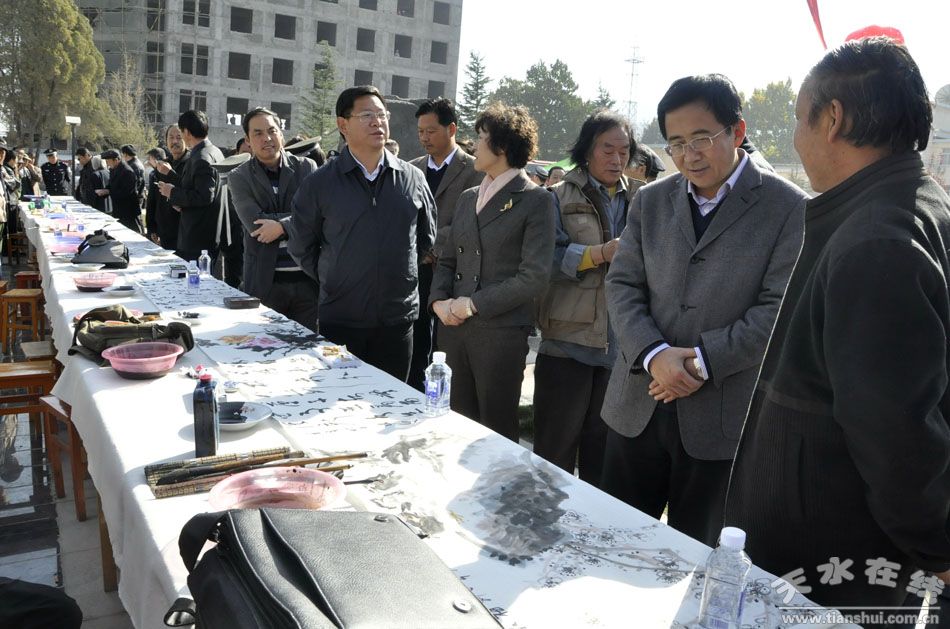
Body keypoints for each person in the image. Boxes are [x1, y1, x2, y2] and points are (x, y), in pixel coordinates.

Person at [725, 37, 950, 615]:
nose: (795, 137)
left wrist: (937, 544)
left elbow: (894, 429)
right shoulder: (911, 205)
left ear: (832, 118)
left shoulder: (877, 242)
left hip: (831, 553)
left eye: (799, 118)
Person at [599, 74, 807, 547]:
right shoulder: (651, 200)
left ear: (736, 131)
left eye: (701, 138)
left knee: (699, 554)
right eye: (675, 143)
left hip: (720, 416)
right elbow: (623, 284)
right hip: (638, 403)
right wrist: (655, 354)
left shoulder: (787, 208)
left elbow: (778, 310)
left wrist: (699, 362)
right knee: (615, 542)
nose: (689, 155)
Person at [285, 86, 436, 380]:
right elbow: (301, 243)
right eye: (367, 115)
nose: (377, 122)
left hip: (397, 320)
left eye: (382, 115)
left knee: (391, 400)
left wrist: (397, 277)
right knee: (338, 398)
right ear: (343, 125)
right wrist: (335, 277)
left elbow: (425, 239)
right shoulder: (320, 183)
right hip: (341, 319)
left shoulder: (412, 178)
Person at [429, 104, 555, 442]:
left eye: (482, 137)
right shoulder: (469, 197)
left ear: (502, 146)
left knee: (495, 434)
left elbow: (534, 276)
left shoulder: (536, 200)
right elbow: (447, 259)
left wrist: (472, 305)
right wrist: (438, 302)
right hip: (453, 331)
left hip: (499, 337)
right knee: (454, 427)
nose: (474, 144)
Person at [533, 110, 642, 486]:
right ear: (587, 150)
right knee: (554, 454)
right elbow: (546, 261)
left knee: (603, 456)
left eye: (624, 151)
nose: (616, 159)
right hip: (568, 343)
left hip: (618, 347)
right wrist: (600, 254)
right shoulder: (556, 197)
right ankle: (546, 520)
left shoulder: (643, 199)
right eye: (607, 150)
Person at [407, 97, 484, 391]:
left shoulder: (475, 170)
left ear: (451, 129)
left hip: (453, 270)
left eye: (431, 131)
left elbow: (472, 221)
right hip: (416, 269)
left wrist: (431, 246)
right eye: (420, 132)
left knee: (444, 345)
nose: (425, 138)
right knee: (416, 340)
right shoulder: (412, 169)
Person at [229, 107, 319, 330]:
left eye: (272, 131)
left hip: (308, 283)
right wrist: (296, 220)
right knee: (263, 345)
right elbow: (256, 225)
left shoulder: (306, 168)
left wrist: (281, 226)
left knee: (306, 347)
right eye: (258, 133)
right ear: (248, 140)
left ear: (281, 133)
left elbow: (317, 216)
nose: (267, 138)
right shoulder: (239, 177)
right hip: (265, 284)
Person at [158, 110, 224, 263]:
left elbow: (204, 196)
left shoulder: (201, 157)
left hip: (198, 236)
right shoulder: (214, 151)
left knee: (195, 276)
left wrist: (172, 192)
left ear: (186, 132)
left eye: (180, 133)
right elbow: (196, 187)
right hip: (208, 232)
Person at [215, 138, 250, 287]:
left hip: (256, 245)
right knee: (233, 280)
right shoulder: (228, 178)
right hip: (234, 240)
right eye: (245, 153)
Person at [150, 124, 190, 250]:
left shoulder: (192, 163)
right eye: (171, 137)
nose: (174, 141)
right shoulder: (162, 165)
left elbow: (191, 192)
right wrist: (152, 227)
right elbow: (153, 199)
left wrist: (171, 174)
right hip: (165, 231)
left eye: (179, 137)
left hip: (185, 231)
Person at [97, 149, 141, 231]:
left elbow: (127, 192)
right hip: (118, 209)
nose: (107, 163)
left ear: (116, 160)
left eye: (108, 161)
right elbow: (111, 185)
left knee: (132, 231)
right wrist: (104, 190)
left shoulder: (127, 171)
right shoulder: (113, 169)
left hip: (128, 210)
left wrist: (109, 191)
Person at [143, 147, 166, 242]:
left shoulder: (158, 174)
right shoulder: (154, 173)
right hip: (158, 219)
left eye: (150, 158)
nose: (148, 161)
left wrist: (152, 228)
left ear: (154, 159)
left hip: (162, 220)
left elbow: (153, 201)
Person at [120, 144, 146, 211]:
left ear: (125, 154)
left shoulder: (134, 165)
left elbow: (136, 184)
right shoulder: (134, 163)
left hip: (134, 198)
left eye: (122, 154)